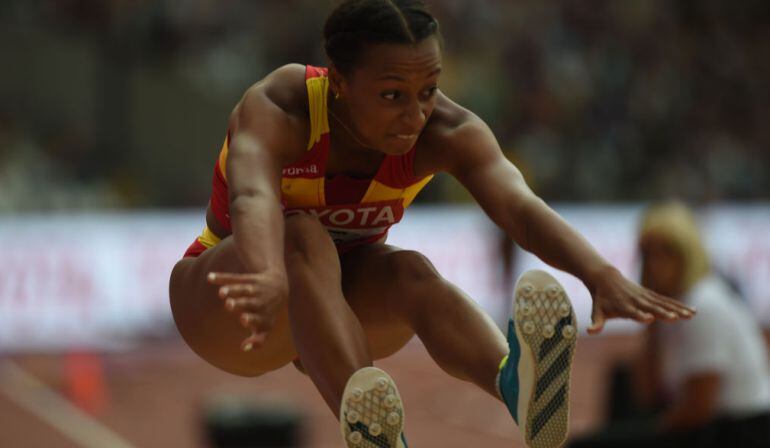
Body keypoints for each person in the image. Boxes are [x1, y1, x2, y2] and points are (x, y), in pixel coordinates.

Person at [168, 2, 694, 447]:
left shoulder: (447, 130)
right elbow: (254, 195)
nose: (415, 115)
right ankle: (367, 422)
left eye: (428, 90)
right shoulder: (282, 104)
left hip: (336, 309)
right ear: (339, 80)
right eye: (393, 94)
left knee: (413, 273)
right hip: (233, 298)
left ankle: (516, 386)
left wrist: (598, 274)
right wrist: (265, 270)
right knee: (302, 235)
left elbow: (518, 205)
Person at [569, 202, 770, 448]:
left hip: (739, 431)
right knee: (621, 377)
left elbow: (699, 409)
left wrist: (644, 433)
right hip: (711, 424)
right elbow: (648, 394)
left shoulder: (703, 305)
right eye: (647, 254)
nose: (654, 264)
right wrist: (651, 321)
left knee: (584, 446)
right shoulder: (673, 304)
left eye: (666, 252)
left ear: (688, 254)